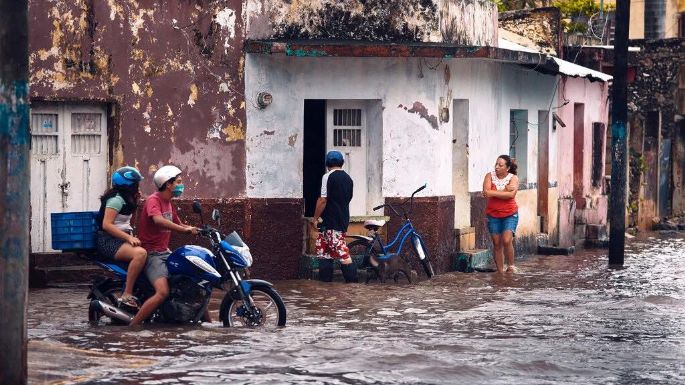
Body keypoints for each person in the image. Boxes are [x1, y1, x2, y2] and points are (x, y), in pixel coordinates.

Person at [130, 165, 200, 325]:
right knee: (162, 292)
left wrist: (197, 229)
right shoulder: (153, 200)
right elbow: (158, 220)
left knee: (190, 283)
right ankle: (133, 327)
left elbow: (179, 223)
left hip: (165, 252)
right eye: (179, 182)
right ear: (168, 184)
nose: (181, 185)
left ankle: (205, 324)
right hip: (152, 254)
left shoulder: (169, 203)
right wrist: (185, 231)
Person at [96, 166, 147, 308]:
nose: (138, 186)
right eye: (136, 184)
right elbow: (107, 225)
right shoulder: (116, 200)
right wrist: (128, 238)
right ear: (129, 185)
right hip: (108, 241)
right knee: (140, 254)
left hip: (119, 240)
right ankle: (127, 294)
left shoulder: (126, 198)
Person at [310, 150, 357, 283]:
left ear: (327, 163)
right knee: (323, 251)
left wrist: (314, 219)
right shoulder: (348, 179)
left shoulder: (327, 176)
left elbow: (322, 200)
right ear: (342, 163)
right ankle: (325, 285)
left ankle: (352, 284)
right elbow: (348, 198)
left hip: (332, 221)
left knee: (342, 251)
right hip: (339, 220)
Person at [482, 155, 519, 273]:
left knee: (507, 240)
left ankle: (511, 266)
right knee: (496, 243)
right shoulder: (489, 176)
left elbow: (511, 196)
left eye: (500, 165)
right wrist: (505, 190)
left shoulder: (513, 178)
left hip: (510, 214)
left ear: (507, 168)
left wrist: (493, 193)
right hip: (493, 215)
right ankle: (500, 272)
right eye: (496, 164)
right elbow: (486, 193)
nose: (497, 167)